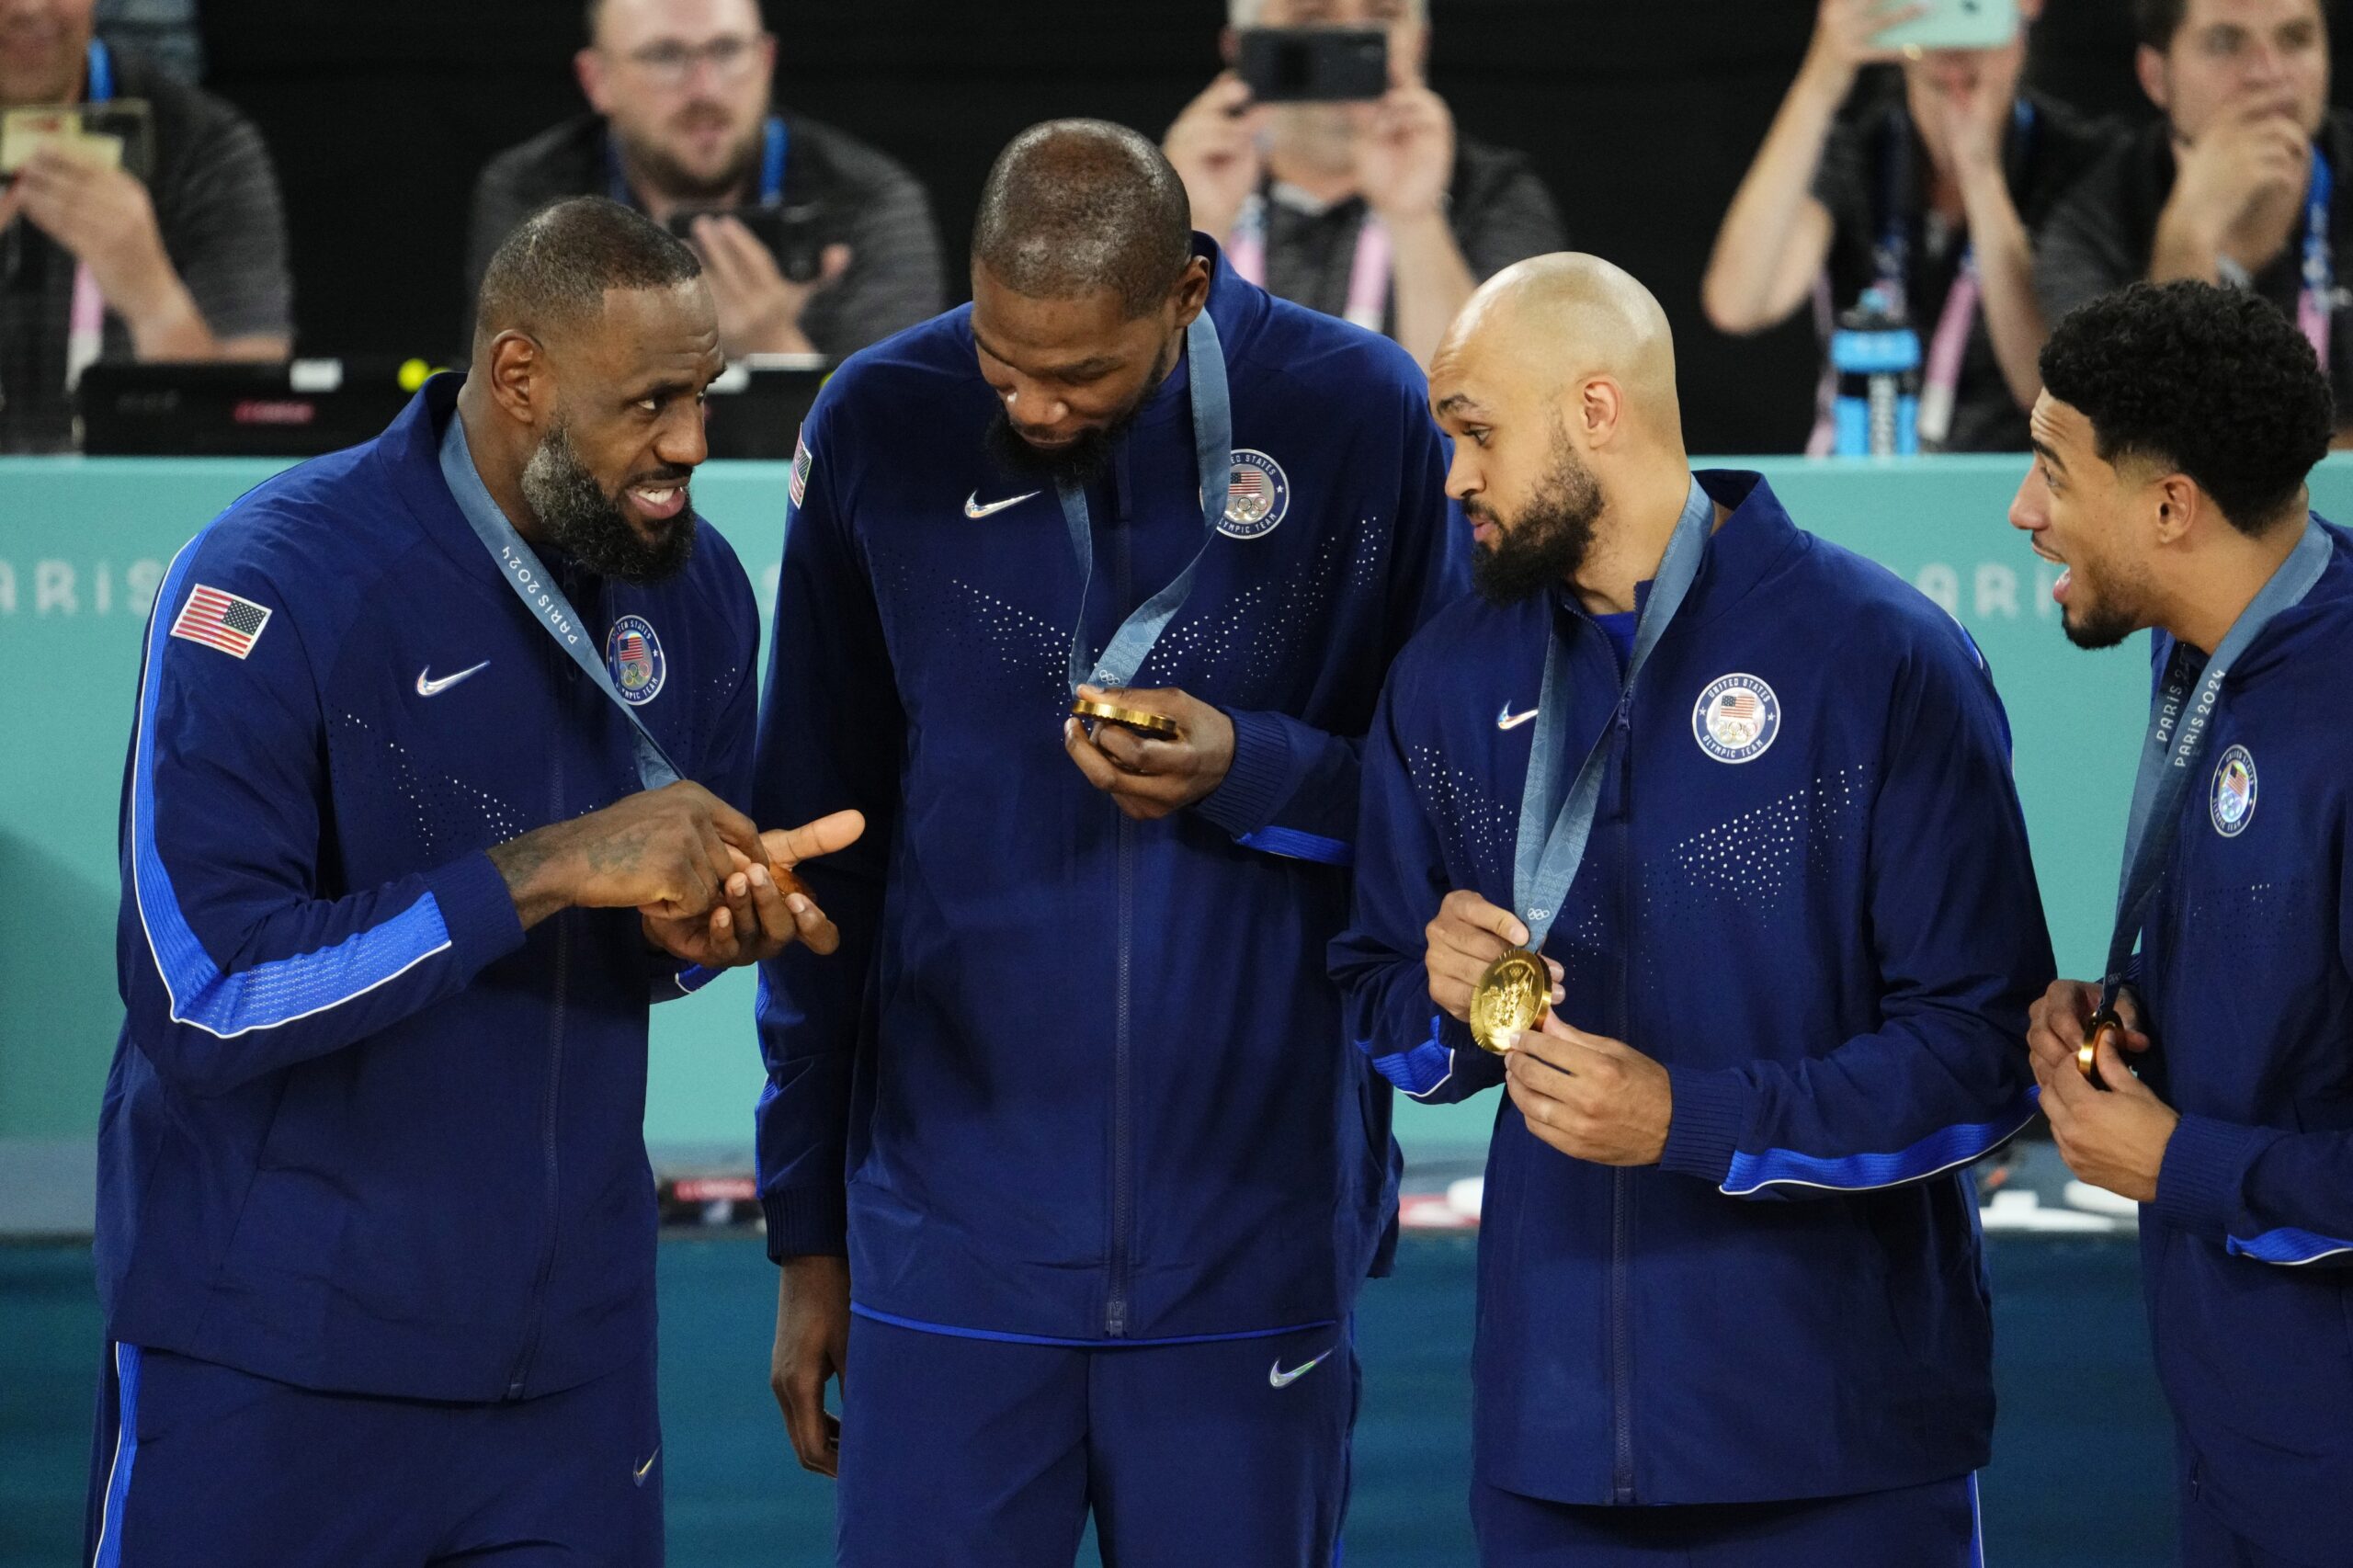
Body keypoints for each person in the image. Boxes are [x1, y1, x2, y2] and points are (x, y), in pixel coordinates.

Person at [84, 197, 859, 1567]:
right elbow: (206, 993)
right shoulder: (273, 582)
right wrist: (554, 867)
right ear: (519, 377)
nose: (690, 443)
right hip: (275, 1363)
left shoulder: (695, 588)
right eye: (651, 403)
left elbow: (642, 939)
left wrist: (695, 930)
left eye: (707, 393)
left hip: (567, 1379)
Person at [753, 120, 1465, 1565]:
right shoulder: (878, 420)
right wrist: (806, 1230)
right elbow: (822, 858)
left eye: (1082, 374)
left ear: (1188, 292)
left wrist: (1253, 768)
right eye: (1004, 360)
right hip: (944, 1249)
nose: (1035, 405)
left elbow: (1453, 806)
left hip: (1251, 1250)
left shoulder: (1356, 412)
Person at [1331, 254, 2055, 1564]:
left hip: (1841, 1450)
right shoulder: (1444, 680)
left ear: (1596, 410)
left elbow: (1984, 1050)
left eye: (1477, 434)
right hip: (1553, 1454)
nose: (1456, 482)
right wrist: (1441, 1003)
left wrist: (1690, 1120)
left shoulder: (1879, 654)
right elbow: (1378, 993)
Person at [2012, 279, 2351, 1568]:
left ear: (2169, 506)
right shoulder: (2200, 647)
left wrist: (2181, 1162)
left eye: (2052, 467)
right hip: (2237, 1445)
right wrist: (2129, 1003)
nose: (2023, 511)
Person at [1701, 0, 2113, 453]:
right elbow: (1738, 302)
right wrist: (1820, 84)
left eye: (1972, 9)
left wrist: (1981, 175)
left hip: (2010, 495)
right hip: (1862, 486)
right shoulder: (1860, 154)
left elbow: (2050, 386)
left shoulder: (2082, 163)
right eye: (1931, 8)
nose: (1953, 48)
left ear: (2024, 11)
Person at [466, 0, 943, 361]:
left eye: (727, 50)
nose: (705, 89)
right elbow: (510, 420)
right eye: (665, 56)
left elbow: (895, 443)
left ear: (766, 61)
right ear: (597, 80)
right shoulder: (534, 193)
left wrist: (771, 345)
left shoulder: (867, 199)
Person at [1160, 0, 1564, 370]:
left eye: (1380, 17)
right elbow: (1133, 395)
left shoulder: (1493, 193)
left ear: (1419, 41)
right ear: (1241, 49)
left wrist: (1416, 219)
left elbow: (1501, 401)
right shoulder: (1176, 184)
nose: (1349, 37)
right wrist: (1194, 224)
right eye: (1312, 18)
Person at [2036, 0, 2353, 427]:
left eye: (2295, 39)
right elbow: (2146, 442)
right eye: (2225, 43)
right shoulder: (2094, 219)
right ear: (2155, 77)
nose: (2269, 73)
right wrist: (2190, 238)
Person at [0, 0, 290, 452]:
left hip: (131, 510)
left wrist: (150, 296)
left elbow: (258, 423)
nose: (29, 7)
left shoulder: (203, 147)